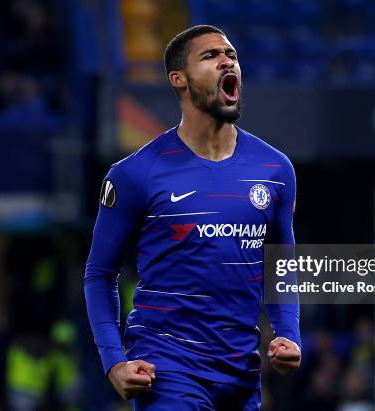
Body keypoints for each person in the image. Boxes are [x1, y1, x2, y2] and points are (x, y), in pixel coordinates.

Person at [84, 25, 301, 411]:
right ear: (178, 79)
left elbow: (280, 263)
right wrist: (113, 361)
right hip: (166, 366)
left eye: (231, 55)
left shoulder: (275, 169)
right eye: (210, 55)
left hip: (240, 371)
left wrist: (289, 335)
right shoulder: (135, 173)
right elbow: (100, 274)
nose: (226, 61)